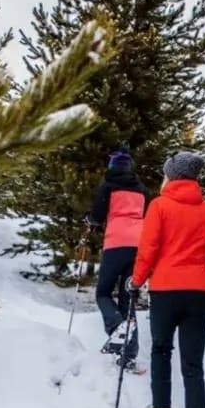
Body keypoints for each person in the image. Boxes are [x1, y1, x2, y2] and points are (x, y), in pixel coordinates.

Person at [131, 152, 205, 408]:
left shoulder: (159, 206)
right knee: (193, 365)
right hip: (199, 293)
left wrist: (136, 281)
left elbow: (148, 249)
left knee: (161, 351)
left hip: (164, 290)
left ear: (172, 176)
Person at [86, 147, 147, 365]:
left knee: (102, 292)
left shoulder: (108, 186)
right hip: (138, 245)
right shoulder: (141, 189)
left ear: (112, 165)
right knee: (127, 298)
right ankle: (128, 354)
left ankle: (117, 327)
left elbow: (97, 215)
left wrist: (91, 221)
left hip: (116, 243)